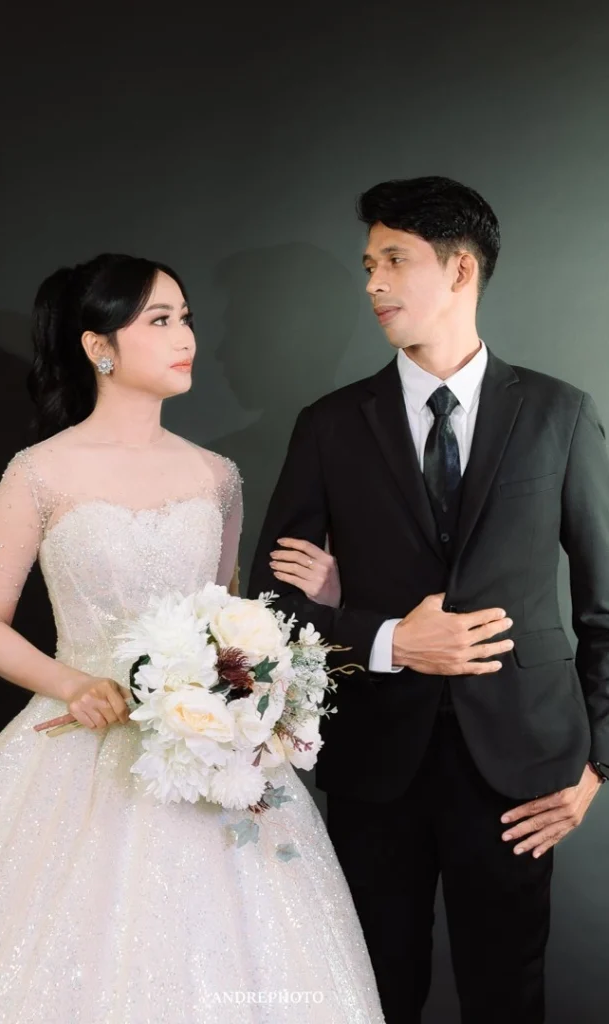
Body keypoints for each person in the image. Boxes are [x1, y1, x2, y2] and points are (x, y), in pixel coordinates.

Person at [0, 253, 384, 1023]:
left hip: (208, 754)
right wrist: (74, 684)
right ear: (97, 345)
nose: (185, 338)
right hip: (81, 742)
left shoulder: (216, 477)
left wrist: (314, 612)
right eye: (160, 320)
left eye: (186, 319)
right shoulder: (38, 473)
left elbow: (226, 620)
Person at [250, 176, 609, 1024]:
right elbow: (269, 608)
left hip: (522, 772)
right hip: (374, 762)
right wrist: (388, 640)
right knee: (373, 992)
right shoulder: (330, 425)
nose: (372, 283)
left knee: (507, 998)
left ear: (459, 270)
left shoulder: (559, 414)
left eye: (392, 261)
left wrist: (598, 765)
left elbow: (603, 610)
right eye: (366, 265)